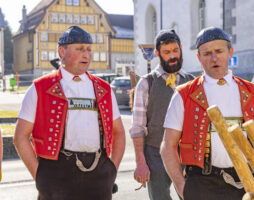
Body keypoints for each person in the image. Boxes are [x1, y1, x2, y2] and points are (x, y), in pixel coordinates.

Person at [160, 27, 254, 200]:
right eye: (207, 53)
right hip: (202, 184)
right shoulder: (184, 94)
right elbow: (167, 146)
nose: (214, 58)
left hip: (248, 183)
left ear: (230, 52)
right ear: (199, 58)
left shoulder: (252, 91)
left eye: (219, 51)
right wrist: (183, 188)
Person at [13, 26, 125, 200]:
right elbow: (20, 136)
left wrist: (112, 169)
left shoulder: (104, 89)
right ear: (61, 51)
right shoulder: (39, 87)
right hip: (55, 173)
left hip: (99, 172)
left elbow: (119, 132)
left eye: (89, 49)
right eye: (80, 49)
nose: (86, 54)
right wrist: (40, 176)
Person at [130, 29, 194, 200]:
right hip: (155, 154)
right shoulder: (146, 83)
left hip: (188, 155)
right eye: (166, 52)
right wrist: (140, 163)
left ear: (181, 48)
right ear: (158, 53)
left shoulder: (192, 82)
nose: (172, 56)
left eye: (175, 50)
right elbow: (137, 128)